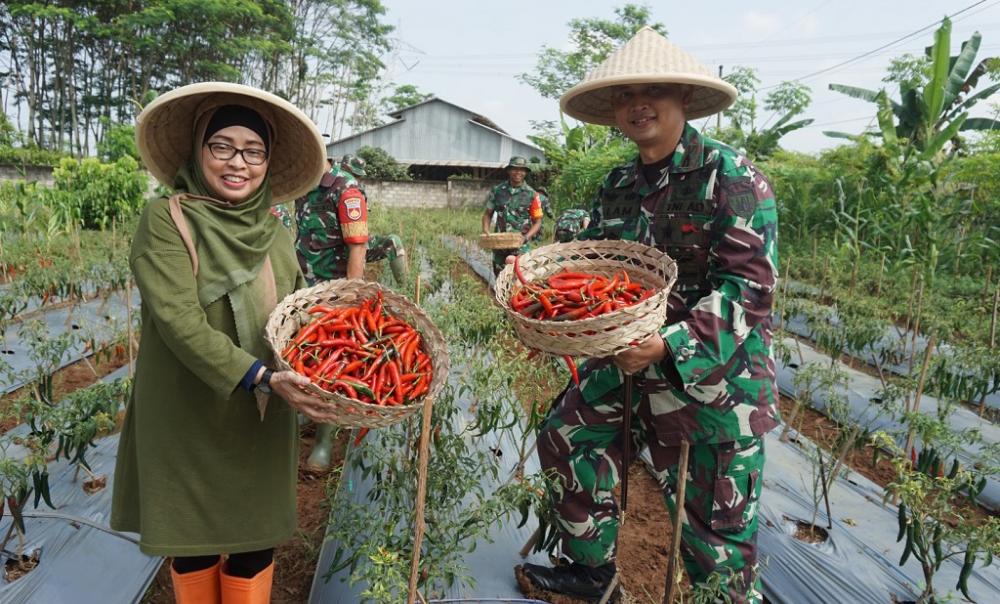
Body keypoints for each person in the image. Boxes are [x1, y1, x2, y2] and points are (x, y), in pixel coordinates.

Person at [516, 27, 779, 604]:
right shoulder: (617, 185)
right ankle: (592, 571)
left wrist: (670, 344)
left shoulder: (729, 176)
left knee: (714, 536)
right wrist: (552, 305)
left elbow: (752, 289)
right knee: (567, 434)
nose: (638, 103)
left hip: (711, 378)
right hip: (630, 365)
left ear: (682, 97)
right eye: (625, 94)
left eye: (654, 89)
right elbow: (603, 278)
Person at [111, 82, 330, 604]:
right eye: (222, 146)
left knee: (255, 542)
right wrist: (261, 377)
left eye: (254, 151)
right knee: (196, 544)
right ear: (198, 151)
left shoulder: (275, 233)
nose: (239, 163)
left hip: (262, 412)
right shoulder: (166, 220)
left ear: (268, 161)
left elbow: (298, 317)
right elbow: (177, 319)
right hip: (190, 412)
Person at [293, 152, 407, 469]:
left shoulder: (346, 189)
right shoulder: (301, 185)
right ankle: (307, 411)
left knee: (332, 363)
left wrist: (350, 298)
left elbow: (357, 245)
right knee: (304, 354)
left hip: (335, 286)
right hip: (305, 285)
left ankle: (323, 443)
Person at [481, 156, 543, 275]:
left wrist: (526, 237)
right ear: (509, 171)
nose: (518, 172)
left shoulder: (532, 194)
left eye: (521, 170)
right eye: (515, 169)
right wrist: (486, 231)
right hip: (500, 244)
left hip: (520, 245)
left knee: (519, 279)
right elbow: (487, 214)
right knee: (499, 277)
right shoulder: (498, 191)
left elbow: (538, 221)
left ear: (525, 172)